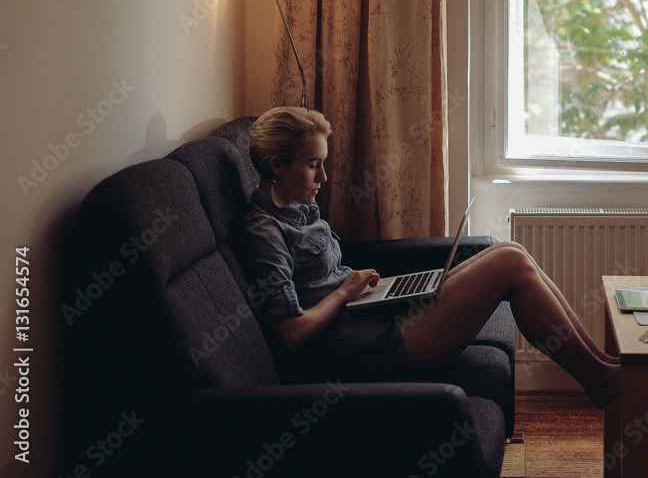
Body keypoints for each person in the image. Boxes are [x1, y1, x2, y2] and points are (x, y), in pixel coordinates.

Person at [243, 106, 620, 409]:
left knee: (510, 250)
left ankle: (602, 365)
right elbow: (290, 333)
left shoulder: (296, 208)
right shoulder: (265, 233)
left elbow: (319, 279)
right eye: (313, 165)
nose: (324, 177)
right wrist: (344, 292)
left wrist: (361, 287)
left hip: (373, 319)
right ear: (277, 166)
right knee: (510, 264)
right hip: (370, 350)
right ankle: (600, 379)